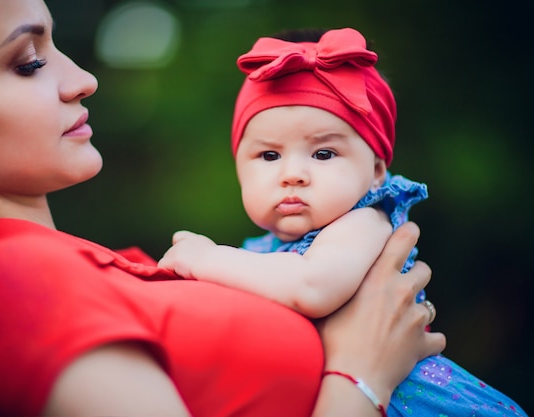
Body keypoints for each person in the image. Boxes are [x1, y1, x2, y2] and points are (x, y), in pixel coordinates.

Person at [0, 1, 447, 416]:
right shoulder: (11, 281)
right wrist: (361, 374)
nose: (81, 80)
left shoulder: (71, 267)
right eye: (28, 63)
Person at [159, 28, 528, 416]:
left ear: (376, 172)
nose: (293, 174)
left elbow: (313, 286)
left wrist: (206, 259)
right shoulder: (258, 254)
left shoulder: (365, 222)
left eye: (323, 153)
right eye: (269, 156)